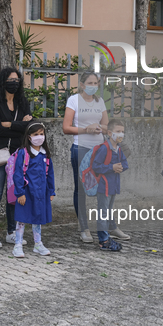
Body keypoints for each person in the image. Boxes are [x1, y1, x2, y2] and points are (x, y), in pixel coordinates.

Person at [62, 72, 115, 243]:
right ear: (82, 84)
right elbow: (66, 127)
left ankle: (106, 225)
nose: (93, 85)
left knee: (106, 188)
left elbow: (107, 126)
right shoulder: (73, 100)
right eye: (90, 82)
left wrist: (100, 127)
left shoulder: (100, 101)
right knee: (81, 189)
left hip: (100, 150)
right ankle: (84, 228)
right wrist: (86, 129)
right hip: (81, 148)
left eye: (96, 83)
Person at [0, 67, 33, 249]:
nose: (14, 83)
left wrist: (11, 124)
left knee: (13, 194)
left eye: (17, 80)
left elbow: (28, 126)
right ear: (3, 81)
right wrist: (19, 124)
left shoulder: (22, 102)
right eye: (11, 79)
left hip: (17, 153)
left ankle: (11, 232)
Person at [12, 122, 55, 258]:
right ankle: (18, 244)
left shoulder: (45, 155)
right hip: (26, 192)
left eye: (41, 134)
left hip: (41, 193)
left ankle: (38, 244)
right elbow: (18, 173)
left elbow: (50, 174)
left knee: (38, 218)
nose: (39, 137)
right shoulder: (23, 153)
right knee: (22, 218)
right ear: (29, 137)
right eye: (35, 134)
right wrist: (20, 193)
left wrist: (51, 191)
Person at [92, 119, 129, 251]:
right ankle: (103, 240)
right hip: (104, 186)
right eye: (118, 131)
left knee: (107, 212)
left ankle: (106, 236)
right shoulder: (104, 148)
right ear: (109, 133)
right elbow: (96, 166)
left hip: (113, 186)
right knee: (103, 213)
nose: (121, 134)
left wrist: (119, 168)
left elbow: (125, 164)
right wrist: (111, 167)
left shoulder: (118, 149)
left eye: (123, 132)